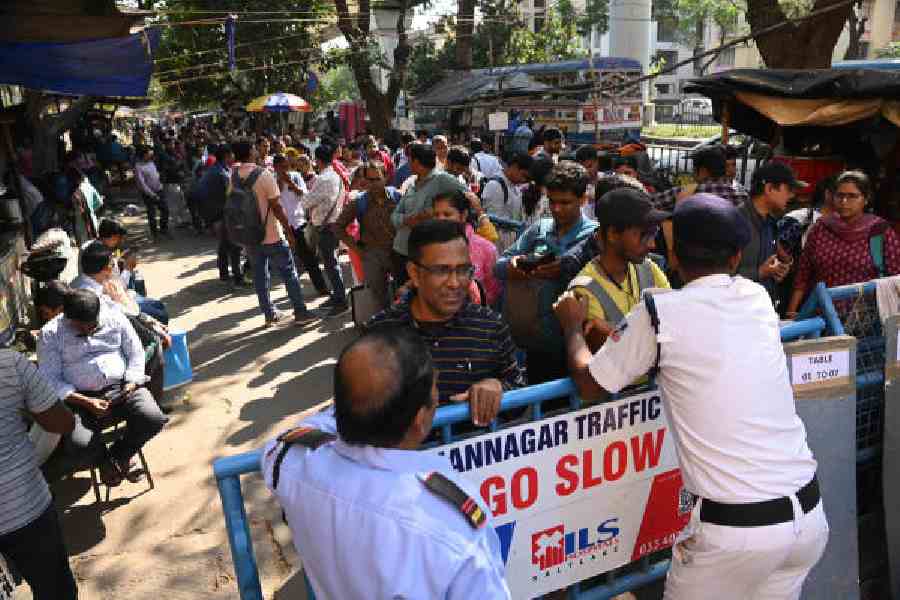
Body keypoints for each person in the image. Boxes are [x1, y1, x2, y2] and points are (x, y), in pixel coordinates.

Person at [554, 193, 829, 600]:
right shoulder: (755, 298)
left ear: (675, 258)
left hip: (735, 533)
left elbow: (591, 384)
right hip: (807, 517)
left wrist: (573, 328)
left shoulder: (660, 313)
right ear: (737, 257)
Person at [261, 327, 511, 600]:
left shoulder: (294, 463)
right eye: (434, 390)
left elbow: (280, 443)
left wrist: (358, 398)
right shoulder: (452, 526)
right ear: (419, 420)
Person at [368, 220, 525, 425]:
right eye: (441, 271)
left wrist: (498, 388)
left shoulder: (490, 326)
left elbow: (519, 394)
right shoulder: (380, 333)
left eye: (463, 270)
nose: (454, 282)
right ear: (414, 273)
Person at [38, 289, 169, 485]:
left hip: (122, 387)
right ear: (67, 317)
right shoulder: (50, 334)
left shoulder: (114, 317)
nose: (88, 332)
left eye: (93, 326)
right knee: (78, 443)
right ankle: (104, 461)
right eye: (81, 329)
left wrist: (132, 382)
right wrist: (87, 401)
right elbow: (51, 380)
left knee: (153, 418)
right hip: (78, 399)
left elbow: (135, 352)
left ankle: (120, 456)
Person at [494, 161, 597, 383]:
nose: (557, 208)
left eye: (565, 202)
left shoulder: (595, 237)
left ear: (583, 199)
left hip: (579, 342)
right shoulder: (539, 230)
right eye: (552, 201)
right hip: (537, 341)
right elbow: (498, 266)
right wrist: (514, 266)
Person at [0, 348, 78, 600]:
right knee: (55, 590)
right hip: (24, 508)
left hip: (23, 507)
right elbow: (62, 423)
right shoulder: (9, 364)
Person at [786, 170, 900, 317]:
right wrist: (791, 312)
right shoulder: (820, 228)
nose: (844, 202)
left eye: (852, 196)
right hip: (821, 316)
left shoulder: (879, 231)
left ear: (866, 199)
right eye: (840, 196)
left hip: (866, 320)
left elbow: (896, 278)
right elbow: (803, 274)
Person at [568, 188, 670, 351]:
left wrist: (614, 330)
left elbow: (672, 323)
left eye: (654, 234)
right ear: (613, 234)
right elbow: (610, 353)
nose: (652, 244)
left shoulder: (649, 268)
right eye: (644, 235)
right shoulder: (584, 289)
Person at [232, 141, 318, 326]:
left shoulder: (234, 176)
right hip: (271, 234)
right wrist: (289, 231)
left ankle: (269, 314)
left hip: (249, 236)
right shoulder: (263, 175)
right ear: (250, 151)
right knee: (289, 273)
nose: (256, 149)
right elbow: (277, 207)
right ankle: (301, 312)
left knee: (260, 275)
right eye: (254, 147)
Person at [391, 144, 468, 285]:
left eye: (410, 160)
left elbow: (468, 197)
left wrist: (434, 215)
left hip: (425, 252)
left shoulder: (442, 180)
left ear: (415, 162)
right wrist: (407, 220)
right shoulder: (412, 184)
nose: (408, 164)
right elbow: (394, 216)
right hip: (401, 249)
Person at [333, 161, 401, 312]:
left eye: (377, 179)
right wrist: (357, 249)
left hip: (397, 252)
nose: (373, 184)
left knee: (403, 294)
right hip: (373, 255)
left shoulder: (397, 197)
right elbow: (337, 227)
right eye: (369, 180)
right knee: (378, 298)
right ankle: (383, 328)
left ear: (385, 177)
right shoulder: (359, 201)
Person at [737, 162, 804, 302]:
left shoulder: (770, 223)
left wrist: (777, 270)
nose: (792, 196)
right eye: (789, 189)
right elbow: (716, 275)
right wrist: (760, 272)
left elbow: (768, 264)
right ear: (769, 188)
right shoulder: (735, 221)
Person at [272, 155, 330, 298]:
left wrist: (290, 183)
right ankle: (294, 294)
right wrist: (279, 183)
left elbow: (305, 196)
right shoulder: (271, 180)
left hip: (298, 223)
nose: (285, 170)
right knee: (287, 262)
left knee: (309, 259)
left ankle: (322, 288)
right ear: (275, 168)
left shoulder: (295, 176)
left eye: (287, 166)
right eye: (281, 168)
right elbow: (273, 201)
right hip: (281, 226)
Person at [431, 190, 501, 306]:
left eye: (447, 214)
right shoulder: (428, 246)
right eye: (436, 215)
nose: (440, 219)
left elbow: (492, 291)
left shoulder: (486, 249)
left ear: (463, 215)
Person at [303, 144, 349, 316]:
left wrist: (302, 193)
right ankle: (337, 296)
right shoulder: (335, 175)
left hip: (326, 227)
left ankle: (341, 301)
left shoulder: (323, 179)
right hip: (332, 224)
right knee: (331, 264)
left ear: (318, 160)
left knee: (331, 265)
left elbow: (306, 202)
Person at [197, 144, 245, 287]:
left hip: (216, 213)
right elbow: (230, 193)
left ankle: (224, 274)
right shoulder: (221, 173)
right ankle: (238, 277)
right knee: (234, 245)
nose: (234, 157)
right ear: (226, 156)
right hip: (222, 213)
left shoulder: (217, 169)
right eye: (232, 155)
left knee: (224, 244)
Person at [651, 145, 749, 211]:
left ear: (702, 170)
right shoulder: (744, 195)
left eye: (694, 169)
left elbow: (649, 205)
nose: (732, 170)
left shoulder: (687, 192)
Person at [480, 152, 534, 252]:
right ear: (514, 167)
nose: (524, 180)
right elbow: (492, 222)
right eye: (524, 176)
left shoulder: (515, 186)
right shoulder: (495, 185)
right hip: (496, 245)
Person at [134, 147, 170, 240]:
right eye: (149, 154)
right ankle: (155, 234)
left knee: (165, 210)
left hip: (159, 189)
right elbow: (142, 184)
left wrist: (160, 182)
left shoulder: (151, 163)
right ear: (144, 155)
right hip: (148, 194)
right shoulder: (138, 167)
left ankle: (163, 229)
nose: (151, 155)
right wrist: (152, 195)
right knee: (152, 213)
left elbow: (155, 174)